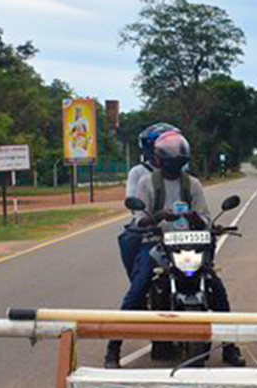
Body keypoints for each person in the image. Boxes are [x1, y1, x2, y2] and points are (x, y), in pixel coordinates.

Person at [104, 130, 245, 369]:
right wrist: (159, 216)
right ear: (159, 160)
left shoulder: (193, 184)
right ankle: (113, 349)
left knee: (216, 289)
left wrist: (196, 218)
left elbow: (205, 217)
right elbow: (138, 218)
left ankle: (230, 347)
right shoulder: (147, 182)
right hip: (157, 243)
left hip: (189, 244)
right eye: (170, 160)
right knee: (138, 288)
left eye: (178, 161)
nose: (173, 165)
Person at [118, 123, 178, 281]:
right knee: (128, 241)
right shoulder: (138, 172)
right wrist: (154, 217)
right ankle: (136, 284)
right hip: (149, 228)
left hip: (179, 229)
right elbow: (133, 203)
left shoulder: (182, 172)